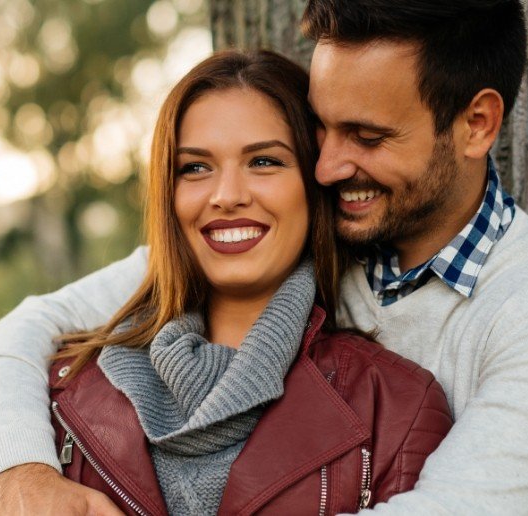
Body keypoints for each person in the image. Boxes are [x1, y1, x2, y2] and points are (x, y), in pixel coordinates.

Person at [0, 0, 528, 514]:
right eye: (321, 129)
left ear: (476, 124)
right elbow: (23, 332)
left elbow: (450, 509)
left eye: (366, 136)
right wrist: (21, 472)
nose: (327, 166)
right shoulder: (306, 224)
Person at [44, 49, 451, 516]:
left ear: (315, 184)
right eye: (195, 167)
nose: (227, 196)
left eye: (264, 162)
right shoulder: (65, 386)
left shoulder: (398, 408)